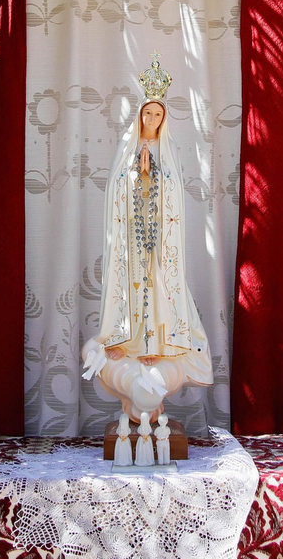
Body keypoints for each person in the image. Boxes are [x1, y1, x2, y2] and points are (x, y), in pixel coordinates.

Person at [82, 55, 213, 424]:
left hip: (157, 241)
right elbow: (116, 192)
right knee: (129, 287)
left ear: (164, 118)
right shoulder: (128, 150)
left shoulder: (166, 153)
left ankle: (155, 345)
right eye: (147, 114)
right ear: (140, 115)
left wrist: (152, 177)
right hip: (131, 240)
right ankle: (127, 340)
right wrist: (135, 177)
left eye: (158, 115)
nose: (152, 120)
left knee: (156, 288)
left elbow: (173, 195)